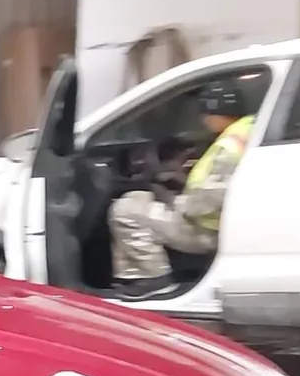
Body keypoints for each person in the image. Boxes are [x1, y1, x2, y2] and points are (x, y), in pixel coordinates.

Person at [107, 83, 255, 297]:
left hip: (206, 230)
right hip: (217, 222)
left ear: (216, 112)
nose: (203, 120)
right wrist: (179, 180)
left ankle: (154, 279)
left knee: (125, 211)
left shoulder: (228, 147)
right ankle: (133, 276)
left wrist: (171, 198)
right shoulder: (247, 130)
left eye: (206, 113)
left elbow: (206, 203)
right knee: (136, 197)